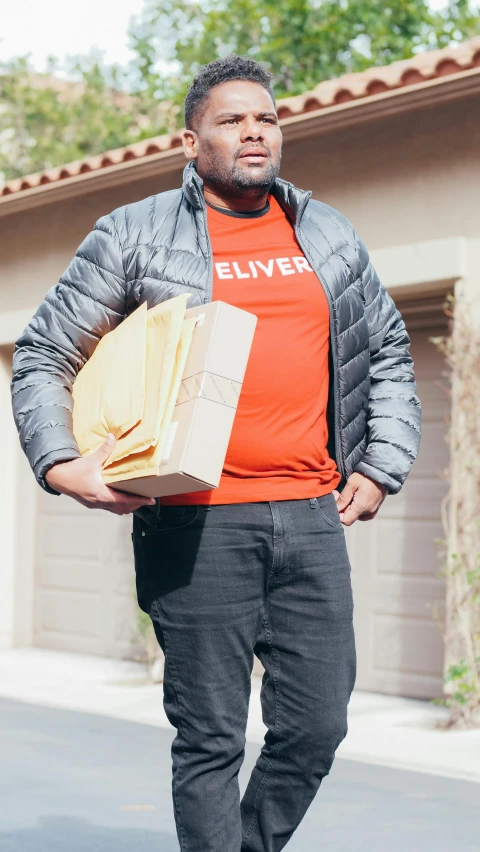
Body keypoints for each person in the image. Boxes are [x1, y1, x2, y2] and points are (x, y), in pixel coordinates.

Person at [11, 55, 421, 852]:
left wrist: (379, 466)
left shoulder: (329, 233)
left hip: (309, 519)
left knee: (317, 725)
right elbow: (43, 354)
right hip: (196, 526)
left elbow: (392, 355)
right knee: (212, 739)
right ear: (191, 140)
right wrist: (63, 465)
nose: (253, 131)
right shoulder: (133, 233)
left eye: (265, 117)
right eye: (231, 120)